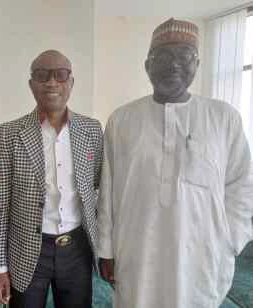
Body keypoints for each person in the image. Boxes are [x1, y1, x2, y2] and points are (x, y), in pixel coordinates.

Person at [97, 18, 253, 308]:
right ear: (147, 66)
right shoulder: (122, 120)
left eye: (185, 56)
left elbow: (242, 187)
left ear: (197, 64)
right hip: (137, 250)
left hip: (201, 256)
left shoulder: (223, 118)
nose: (174, 65)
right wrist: (106, 249)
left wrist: (229, 242)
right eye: (163, 57)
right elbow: (107, 191)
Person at [0, 49, 103, 308]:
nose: (52, 82)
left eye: (61, 75)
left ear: (71, 82)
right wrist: (0, 266)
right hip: (28, 248)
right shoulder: (10, 133)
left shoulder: (91, 129)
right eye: (42, 75)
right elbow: (1, 203)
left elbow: (97, 186)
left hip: (77, 248)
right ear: (32, 84)